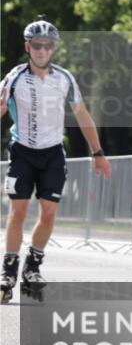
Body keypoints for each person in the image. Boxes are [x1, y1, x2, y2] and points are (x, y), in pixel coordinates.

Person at [0, 18, 112, 303]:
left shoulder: (64, 78)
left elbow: (83, 115)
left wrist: (97, 153)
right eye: (37, 45)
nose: (41, 50)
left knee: (49, 213)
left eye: (47, 46)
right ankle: (8, 269)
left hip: (52, 153)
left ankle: (33, 267)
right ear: (28, 47)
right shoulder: (14, 77)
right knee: (19, 211)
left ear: (54, 48)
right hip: (22, 151)